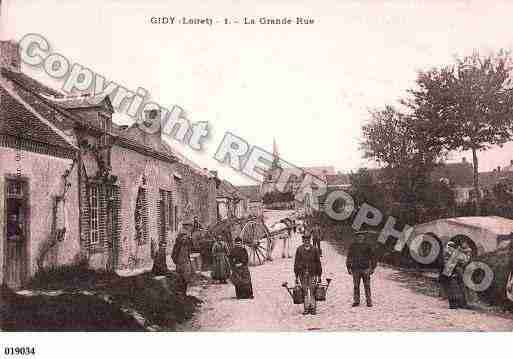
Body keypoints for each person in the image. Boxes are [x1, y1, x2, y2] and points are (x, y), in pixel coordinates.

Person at [346, 231, 376, 307]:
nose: (360, 238)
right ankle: (356, 301)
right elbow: (349, 257)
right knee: (356, 286)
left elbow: (373, 257)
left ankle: (369, 301)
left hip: (365, 269)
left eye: (362, 236)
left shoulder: (368, 246)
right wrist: (348, 267)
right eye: (358, 237)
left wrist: (372, 267)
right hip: (355, 269)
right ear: (356, 238)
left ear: (364, 237)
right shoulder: (353, 246)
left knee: (367, 285)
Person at [294, 234, 322, 315]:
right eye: (305, 240)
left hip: (312, 273)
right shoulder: (299, 249)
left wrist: (319, 275)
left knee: (313, 291)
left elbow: (318, 263)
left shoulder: (315, 250)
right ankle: (306, 308)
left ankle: (313, 308)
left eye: (308, 240)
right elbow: (296, 262)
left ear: (310, 240)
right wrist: (296, 275)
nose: (306, 241)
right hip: (302, 274)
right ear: (303, 241)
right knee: (305, 291)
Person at [440, 241, 470, 309]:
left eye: (452, 247)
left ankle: (460, 304)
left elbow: (463, 261)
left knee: (457, 288)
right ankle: (455, 304)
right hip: (451, 272)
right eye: (450, 247)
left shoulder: (453, 253)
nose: (451, 248)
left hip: (454, 272)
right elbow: (462, 260)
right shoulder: (450, 253)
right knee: (453, 289)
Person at [171, 221, 194, 296]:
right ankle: (180, 293)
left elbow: (191, 248)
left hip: (186, 262)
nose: (184, 238)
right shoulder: (178, 246)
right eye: (183, 237)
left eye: (185, 237)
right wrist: (176, 261)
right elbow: (173, 254)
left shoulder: (187, 244)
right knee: (180, 278)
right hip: (180, 263)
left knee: (186, 278)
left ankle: (184, 292)